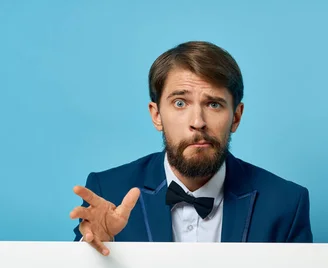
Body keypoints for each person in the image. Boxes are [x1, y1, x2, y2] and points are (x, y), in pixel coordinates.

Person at [70, 41, 313, 255]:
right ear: (156, 115)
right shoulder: (108, 191)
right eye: (180, 102)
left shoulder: (286, 203)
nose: (197, 122)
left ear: (236, 117)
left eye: (214, 104)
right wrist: (93, 247)